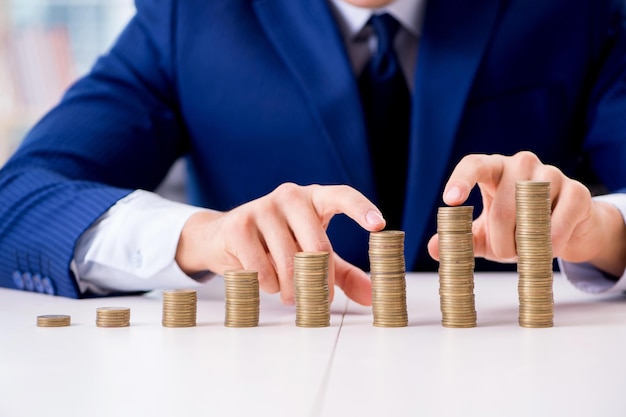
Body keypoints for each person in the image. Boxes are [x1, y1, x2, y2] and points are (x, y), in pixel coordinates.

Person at [1, 0, 626, 306]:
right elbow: (20, 203)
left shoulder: (577, 11)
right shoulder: (188, 17)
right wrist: (203, 236)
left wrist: (603, 230)